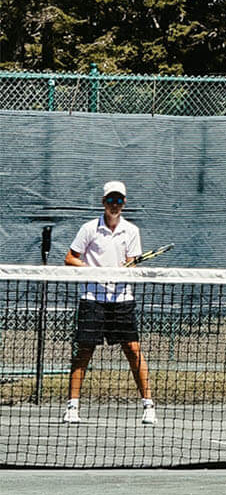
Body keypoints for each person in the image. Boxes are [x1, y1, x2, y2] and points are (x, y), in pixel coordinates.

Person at [63, 181, 157, 426]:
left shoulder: (131, 231)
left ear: (123, 203)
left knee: (133, 350)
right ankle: (72, 407)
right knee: (83, 351)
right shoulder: (89, 229)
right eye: (110, 200)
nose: (114, 205)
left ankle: (148, 406)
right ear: (103, 202)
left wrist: (125, 270)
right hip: (93, 299)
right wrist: (93, 270)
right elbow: (70, 258)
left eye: (119, 201)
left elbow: (131, 263)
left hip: (122, 300)